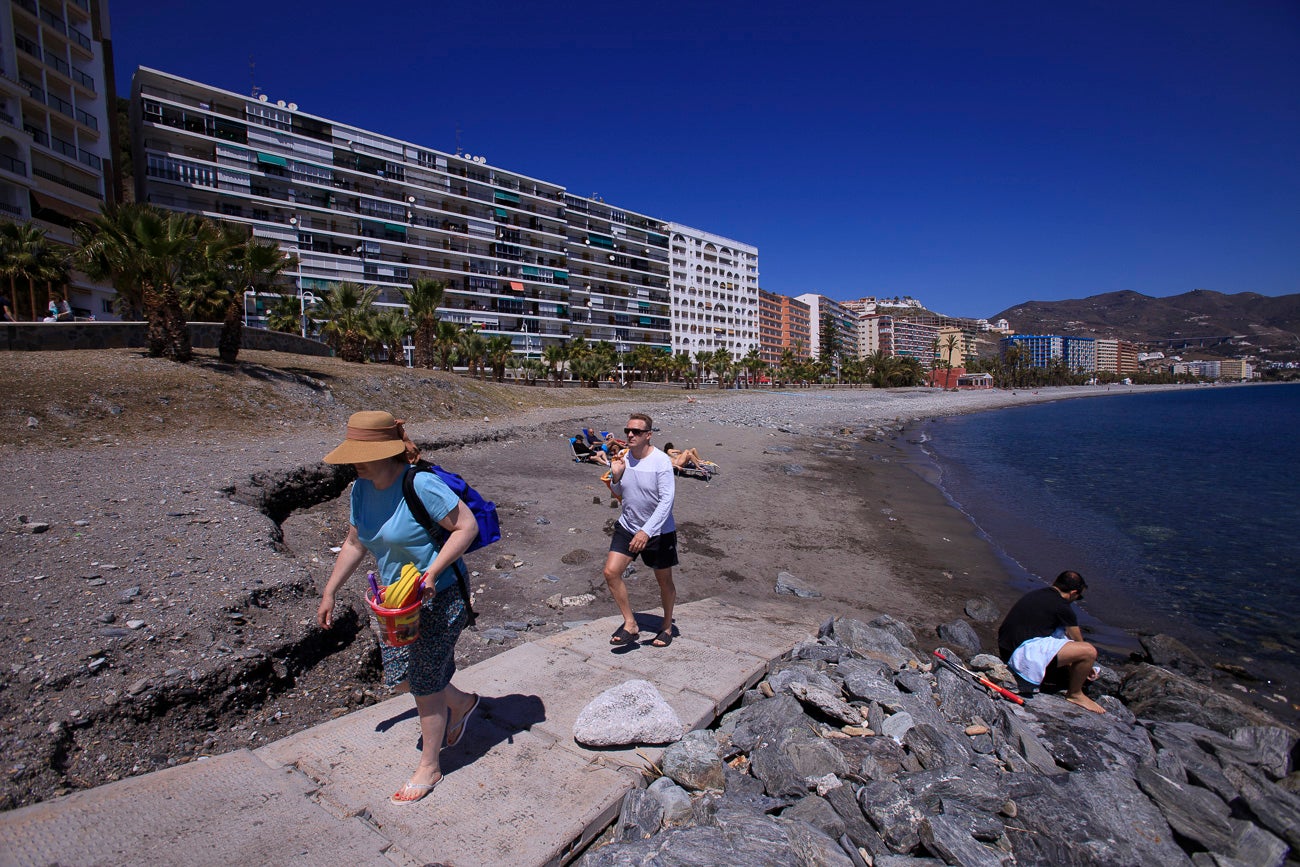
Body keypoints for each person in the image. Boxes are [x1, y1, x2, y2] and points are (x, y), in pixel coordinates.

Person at [316, 411, 482, 804]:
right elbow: (356, 542)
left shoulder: (420, 484)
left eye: (362, 452)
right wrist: (330, 592)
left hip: (439, 595)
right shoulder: (360, 488)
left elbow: (467, 527)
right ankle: (461, 704)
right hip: (395, 602)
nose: (354, 460)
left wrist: (432, 572)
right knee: (405, 676)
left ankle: (430, 767)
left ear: (385, 451)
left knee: (424, 683)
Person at [604, 412, 678, 648]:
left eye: (636, 431)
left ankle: (666, 626)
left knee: (663, 580)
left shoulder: (661, 461)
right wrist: (616, 476)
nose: (630, 435)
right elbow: (618, 493)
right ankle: (630, 623)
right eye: (627, 431)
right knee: (610, 572)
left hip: (658, 532)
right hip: (628, 526)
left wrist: (646, 531)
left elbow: (667, 501)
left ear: (648, 435)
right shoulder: (624, 457)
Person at [997, 570, 1105, 713]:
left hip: (1005, 647)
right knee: (1089, 652)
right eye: (1079, 596)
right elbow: (1078, 641)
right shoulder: (1063, 607)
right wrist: (1087, 665)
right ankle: (1075, 694)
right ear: (1073, 593)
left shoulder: (1037, 594)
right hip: (1019, 653)